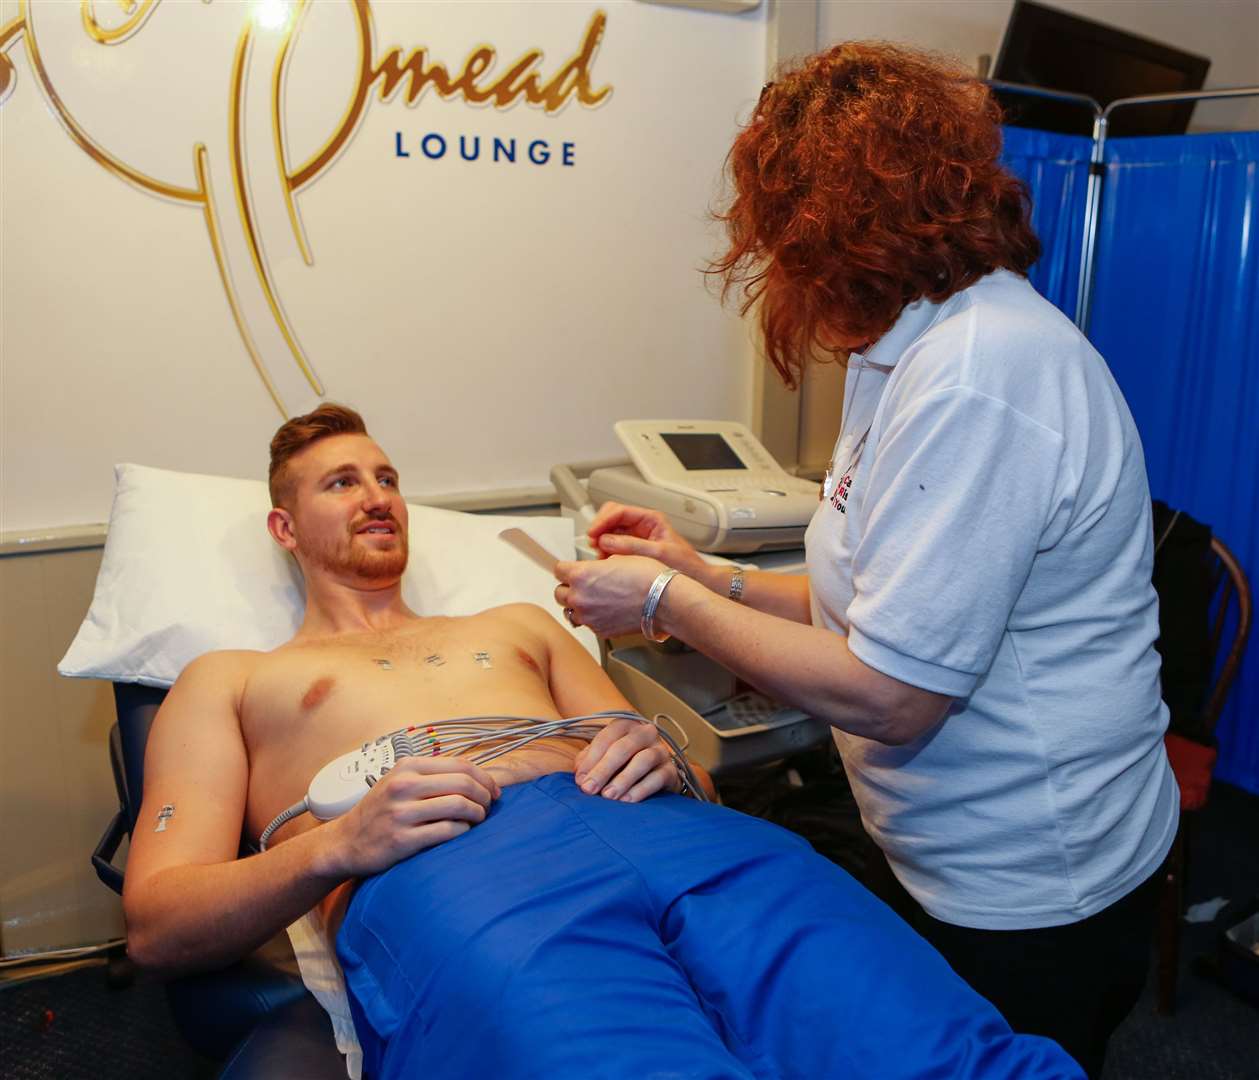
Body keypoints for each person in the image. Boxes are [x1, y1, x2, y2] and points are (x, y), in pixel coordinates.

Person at [124, 403, 1083, 1080]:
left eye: (387, 477)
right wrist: (340, 846)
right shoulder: (232, 679)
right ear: (284, 526)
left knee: (927, 1044)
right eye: (342, 482)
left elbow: (648, 747)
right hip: (452, 876)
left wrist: (662, 758)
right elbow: (160, 924)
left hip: (679, 840)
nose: (377, 495)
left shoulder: (519, 622)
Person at [555, 43, 1176, 1080]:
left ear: (840, 224)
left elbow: (893, 694)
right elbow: (868, 602)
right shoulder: (894, 347)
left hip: (1033, 878)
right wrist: (710, 576)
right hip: (932, 844)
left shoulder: (983, 374)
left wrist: (662, 598)